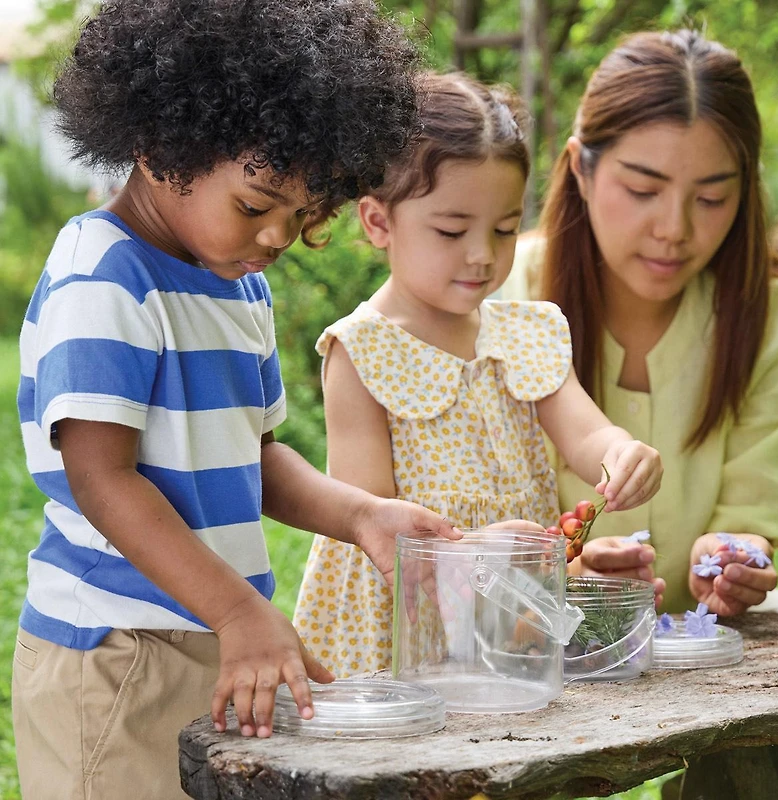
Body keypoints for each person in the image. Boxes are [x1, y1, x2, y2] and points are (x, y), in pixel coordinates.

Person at [11, 2, 464, 798]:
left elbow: (253, 456)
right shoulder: (103, 275)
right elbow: (103, 480)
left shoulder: (238, 284)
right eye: (256, 205)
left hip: (219, 633)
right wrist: (238, 613)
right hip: (119, 653)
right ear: (162, 149)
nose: (278, 237)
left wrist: (360, 515)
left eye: (303, 214)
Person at [292, 71, 663, 678]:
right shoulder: (361, 351)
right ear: (379, 222)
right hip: (406, 622)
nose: (482, 254)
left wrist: (622, 455)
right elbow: (366, 519)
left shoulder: (528, 333)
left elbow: (587, 435)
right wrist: (469, 552)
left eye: (505, 229)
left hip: (507, 615)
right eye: (451, 230)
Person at [517, 29, 778, 616]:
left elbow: (750, 511)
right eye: (643, 189)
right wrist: (569, 574)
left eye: (711, 199)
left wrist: (732, 556)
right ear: (581, 170)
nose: (674, 229)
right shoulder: (498, 301)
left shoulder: (777, 320)